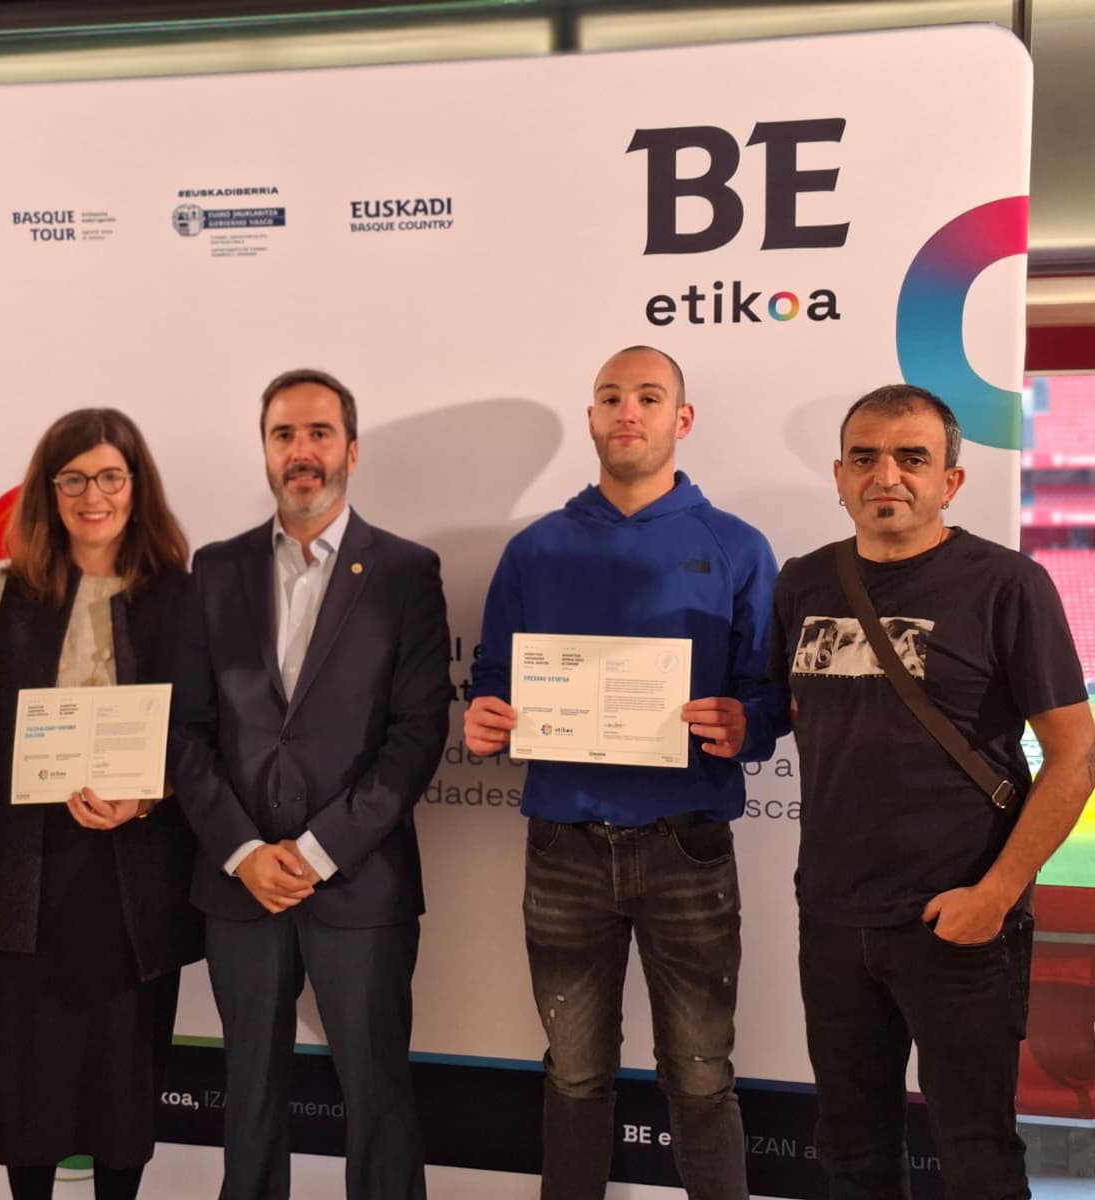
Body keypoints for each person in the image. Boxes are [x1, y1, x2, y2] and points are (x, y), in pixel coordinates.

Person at [464, 345, 789, 1200]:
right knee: (574, 1073)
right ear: (592, 419)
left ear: (682, 419)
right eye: (610, 397)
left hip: (688, 846)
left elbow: (770, 694)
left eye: (648, 396)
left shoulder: (737, 546)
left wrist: (746, 724)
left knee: (701, 1074)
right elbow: (493, 676)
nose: (627, 411)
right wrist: (488, 714)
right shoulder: (535, 549)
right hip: (563, 844)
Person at [769, 384, 1095, 1200]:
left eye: (912, 458)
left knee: (977, 1158)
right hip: (833, 920)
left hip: (960, 922)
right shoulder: (804, 582)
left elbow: (1076, 756)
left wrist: (995, 896)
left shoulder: (1007, 584)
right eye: (865, 458)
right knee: (851, 1153)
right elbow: (776, 711)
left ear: (950, 481)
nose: (887, 475)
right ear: (839, 477)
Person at [169, 367, 451, 1200]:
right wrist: (244, 851)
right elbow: (185, 730)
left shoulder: (405, 572)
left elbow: (417, 735)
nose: (302, 451)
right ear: (264, 451)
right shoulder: (215, 569)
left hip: (360, 882)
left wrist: (321, 850)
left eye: (320, 433)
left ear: (351, 452)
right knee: (250, 1100)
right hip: (240, 884)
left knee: (378, 1102)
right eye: (284, 434)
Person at [0, 409, 202, 1200]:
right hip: (27, 862)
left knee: (124, 1074)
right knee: (28, 1075)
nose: (95, 497)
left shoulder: (183, 596)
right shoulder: (2, 588)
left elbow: (204, 733)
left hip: (136, 869)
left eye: (111, 477)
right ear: (49, 492)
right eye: (75, 479)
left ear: (137, 485)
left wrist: (147, 798)